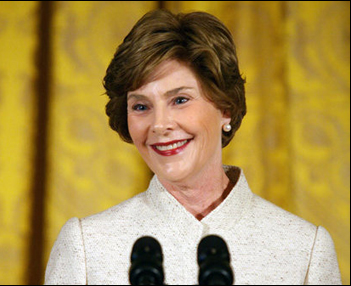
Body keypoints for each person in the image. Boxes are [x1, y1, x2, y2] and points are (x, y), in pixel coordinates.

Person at [44, 9, 342, 285]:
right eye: (141, 106)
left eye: (180, 100)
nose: (160, 125)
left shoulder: (305, 249)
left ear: (225, 107)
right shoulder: (86, 244)